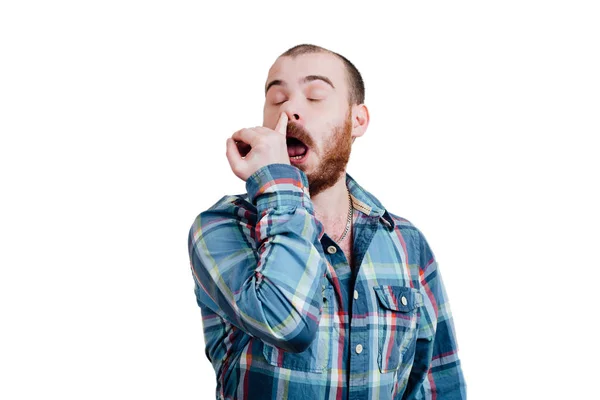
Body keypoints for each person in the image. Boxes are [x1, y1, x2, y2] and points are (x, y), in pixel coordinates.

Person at [187, 44, 466, 399]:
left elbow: (438, 383)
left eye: (315, 95)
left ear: (358, 120)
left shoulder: (405, 242)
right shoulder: (222, 227)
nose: (289, 109)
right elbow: (285, 323)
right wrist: (277, 182)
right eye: (276, 97)